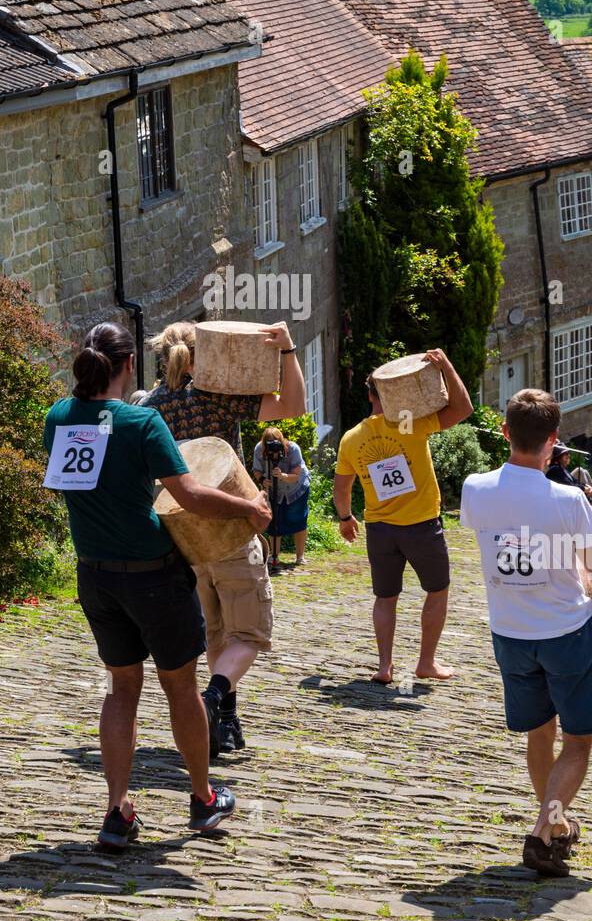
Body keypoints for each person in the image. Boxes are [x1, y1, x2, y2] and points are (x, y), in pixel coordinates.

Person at [43, 322, 271, 848]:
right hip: (152, 575)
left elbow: (63, 487)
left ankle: (117, 811)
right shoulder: (141, 422)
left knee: (120, 690)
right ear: (127, 367)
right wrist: (250, 506)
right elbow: (190, 496)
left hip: (95, 574)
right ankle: (202, 798)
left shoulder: (58, 417)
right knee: (180, 688)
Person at [460, 389, 592, 878]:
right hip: (565, 631)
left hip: (510, 633)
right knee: (578, 740)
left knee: (540, 734)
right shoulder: (569, 500)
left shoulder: (474, 489)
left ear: (504, 433)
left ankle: (556, 825)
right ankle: (542, 832)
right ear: (554, 440)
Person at [141, 319, 306, 756]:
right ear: (204, 354)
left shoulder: (151, 407)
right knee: (248, 633)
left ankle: (225, 722)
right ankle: (213, 699)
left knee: (214, 631)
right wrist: (287, 350)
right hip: (233, 526)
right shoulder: (220, 398)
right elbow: (292, 404)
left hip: (185, 536)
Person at [332, 349, 473, 685]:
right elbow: (463, 408)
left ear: (369, 396)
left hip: (380, 529)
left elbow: (341, 487)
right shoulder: (409, 422)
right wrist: (446, 367)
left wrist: (345, 518)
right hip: (421, 525)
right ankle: (426, 663)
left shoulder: (351, 439)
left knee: (385, 597)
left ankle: (384, 666)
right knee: (437, 591)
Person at [253, 427, 311, 571]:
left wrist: (283, 476)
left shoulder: (293, 449)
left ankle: (300, 556)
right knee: (274, 520)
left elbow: (297, 474)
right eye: (269, 445)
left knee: (298, 518)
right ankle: (274, 556)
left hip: (296, 487)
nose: (272, 449)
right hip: (274, 489)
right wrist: (262, 480)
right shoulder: (260, 449)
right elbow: (257, 470)